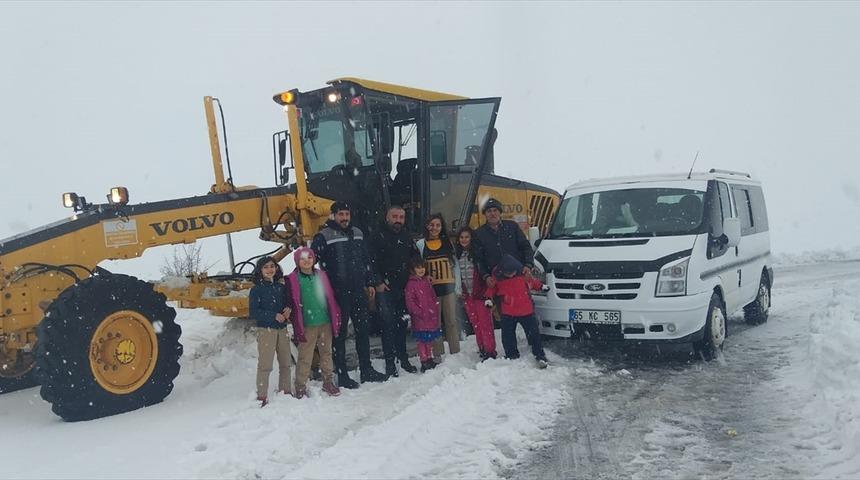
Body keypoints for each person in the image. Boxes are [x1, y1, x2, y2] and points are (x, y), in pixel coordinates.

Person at [311, 201, 389, 389]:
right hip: (337, 294)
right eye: (340, 214)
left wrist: (369, 282)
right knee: (340, 334)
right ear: (333, 216)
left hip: (358, 291)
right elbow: (311, 262)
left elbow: (366, 260)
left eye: (347, 214)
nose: (344, 218)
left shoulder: (358, 233)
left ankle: (366, 370)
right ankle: (342, 375)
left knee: (363, 331)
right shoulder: (323, 236)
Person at [286, 247, 342, 399]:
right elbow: (291, 300)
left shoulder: (321, 275)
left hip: (325, 321)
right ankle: (300, 386)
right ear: (297, 261)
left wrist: (335, 314)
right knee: (305, 355)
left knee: (326, 353)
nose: (306, 261)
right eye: (302, 259)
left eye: (309, 258)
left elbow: (329, 296)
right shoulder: (293, 279)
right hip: (307, 324)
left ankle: (328, 381)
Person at [370, 205, 420, 376]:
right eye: (395, 216)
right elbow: (370, 261)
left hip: (404, 287)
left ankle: (403, 358)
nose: (398, 220)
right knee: (387, 325)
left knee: (402, 324)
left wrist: (418, 275)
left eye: (401, 217)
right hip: (385, 288)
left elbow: (415, 258)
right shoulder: (377, 236)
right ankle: (390, 363)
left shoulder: (407, 236)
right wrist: (377, 281)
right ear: (387, 218)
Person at [485, 254, 549, 369]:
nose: (510, 274)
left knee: (534, 335)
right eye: (507, 272)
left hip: (526, 311)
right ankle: (511, 355)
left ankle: (540, 355)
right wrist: (488, 300)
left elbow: (533, 283)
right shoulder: (498, 280)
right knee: (508, 336)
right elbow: (491, 290)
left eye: (512, 271)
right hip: (508, 312)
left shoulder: (523, 277)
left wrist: (541, 286)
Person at [248, 256, 293, 407]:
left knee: (286, 362)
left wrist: (288, 309)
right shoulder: (256, 290)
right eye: (266, 267)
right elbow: (254, 312)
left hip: (282, 329)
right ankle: (262, 395)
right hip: (266, 330)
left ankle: (285, 390)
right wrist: (273, 315)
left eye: (272, 266)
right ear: (260, 270)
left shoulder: (280, 287)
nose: (270, 269)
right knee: (265, 364)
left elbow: (288, 302)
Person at [416, 213, 460, 359]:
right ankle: (438, 353)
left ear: (442, 227)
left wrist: (458, 286)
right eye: (432, 225)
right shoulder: (421, 244)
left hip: (449, 288)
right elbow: (418, 266)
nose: (435, 228)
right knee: (435, 323)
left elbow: (456, 266)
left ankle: (456, 353)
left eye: (438, 225)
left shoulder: (448, 243)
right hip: (431, 290)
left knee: (451, 321)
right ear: (427, 226)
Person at [455, 226, 497, 361]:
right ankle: (482, 348)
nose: (464, 240)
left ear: (471, 238)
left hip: (480, 294)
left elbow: (484, 271)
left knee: (485, 323)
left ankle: (490, 350)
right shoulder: (457, 255)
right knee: (476, 324)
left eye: (467, 237)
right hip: (468, 295)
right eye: (461, 237)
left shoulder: (478, 253)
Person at [474, 198, 535, 289]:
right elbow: (478, 259)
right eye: (489, 211)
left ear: (500, 212)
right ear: (485, 214)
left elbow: (526, 247)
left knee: (523, 302)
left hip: (517, 277)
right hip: (496, 281)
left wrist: (528, 265)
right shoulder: (479, 234)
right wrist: (486, 276)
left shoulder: (512, 227)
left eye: (495, 210)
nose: (492, 214)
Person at [404, 256, 442, 372]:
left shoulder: (426, 282)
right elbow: (410, 302)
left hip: (430, 316)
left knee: (429, 339)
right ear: (412, 270)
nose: (421, 270)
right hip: (420, 318)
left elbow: (432, 296)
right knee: (422, 341)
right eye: (418, 268)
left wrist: (434, 308)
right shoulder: (410, 284)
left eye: (422, 268)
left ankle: (429, 357)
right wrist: (418, 312)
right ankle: (424, 360)